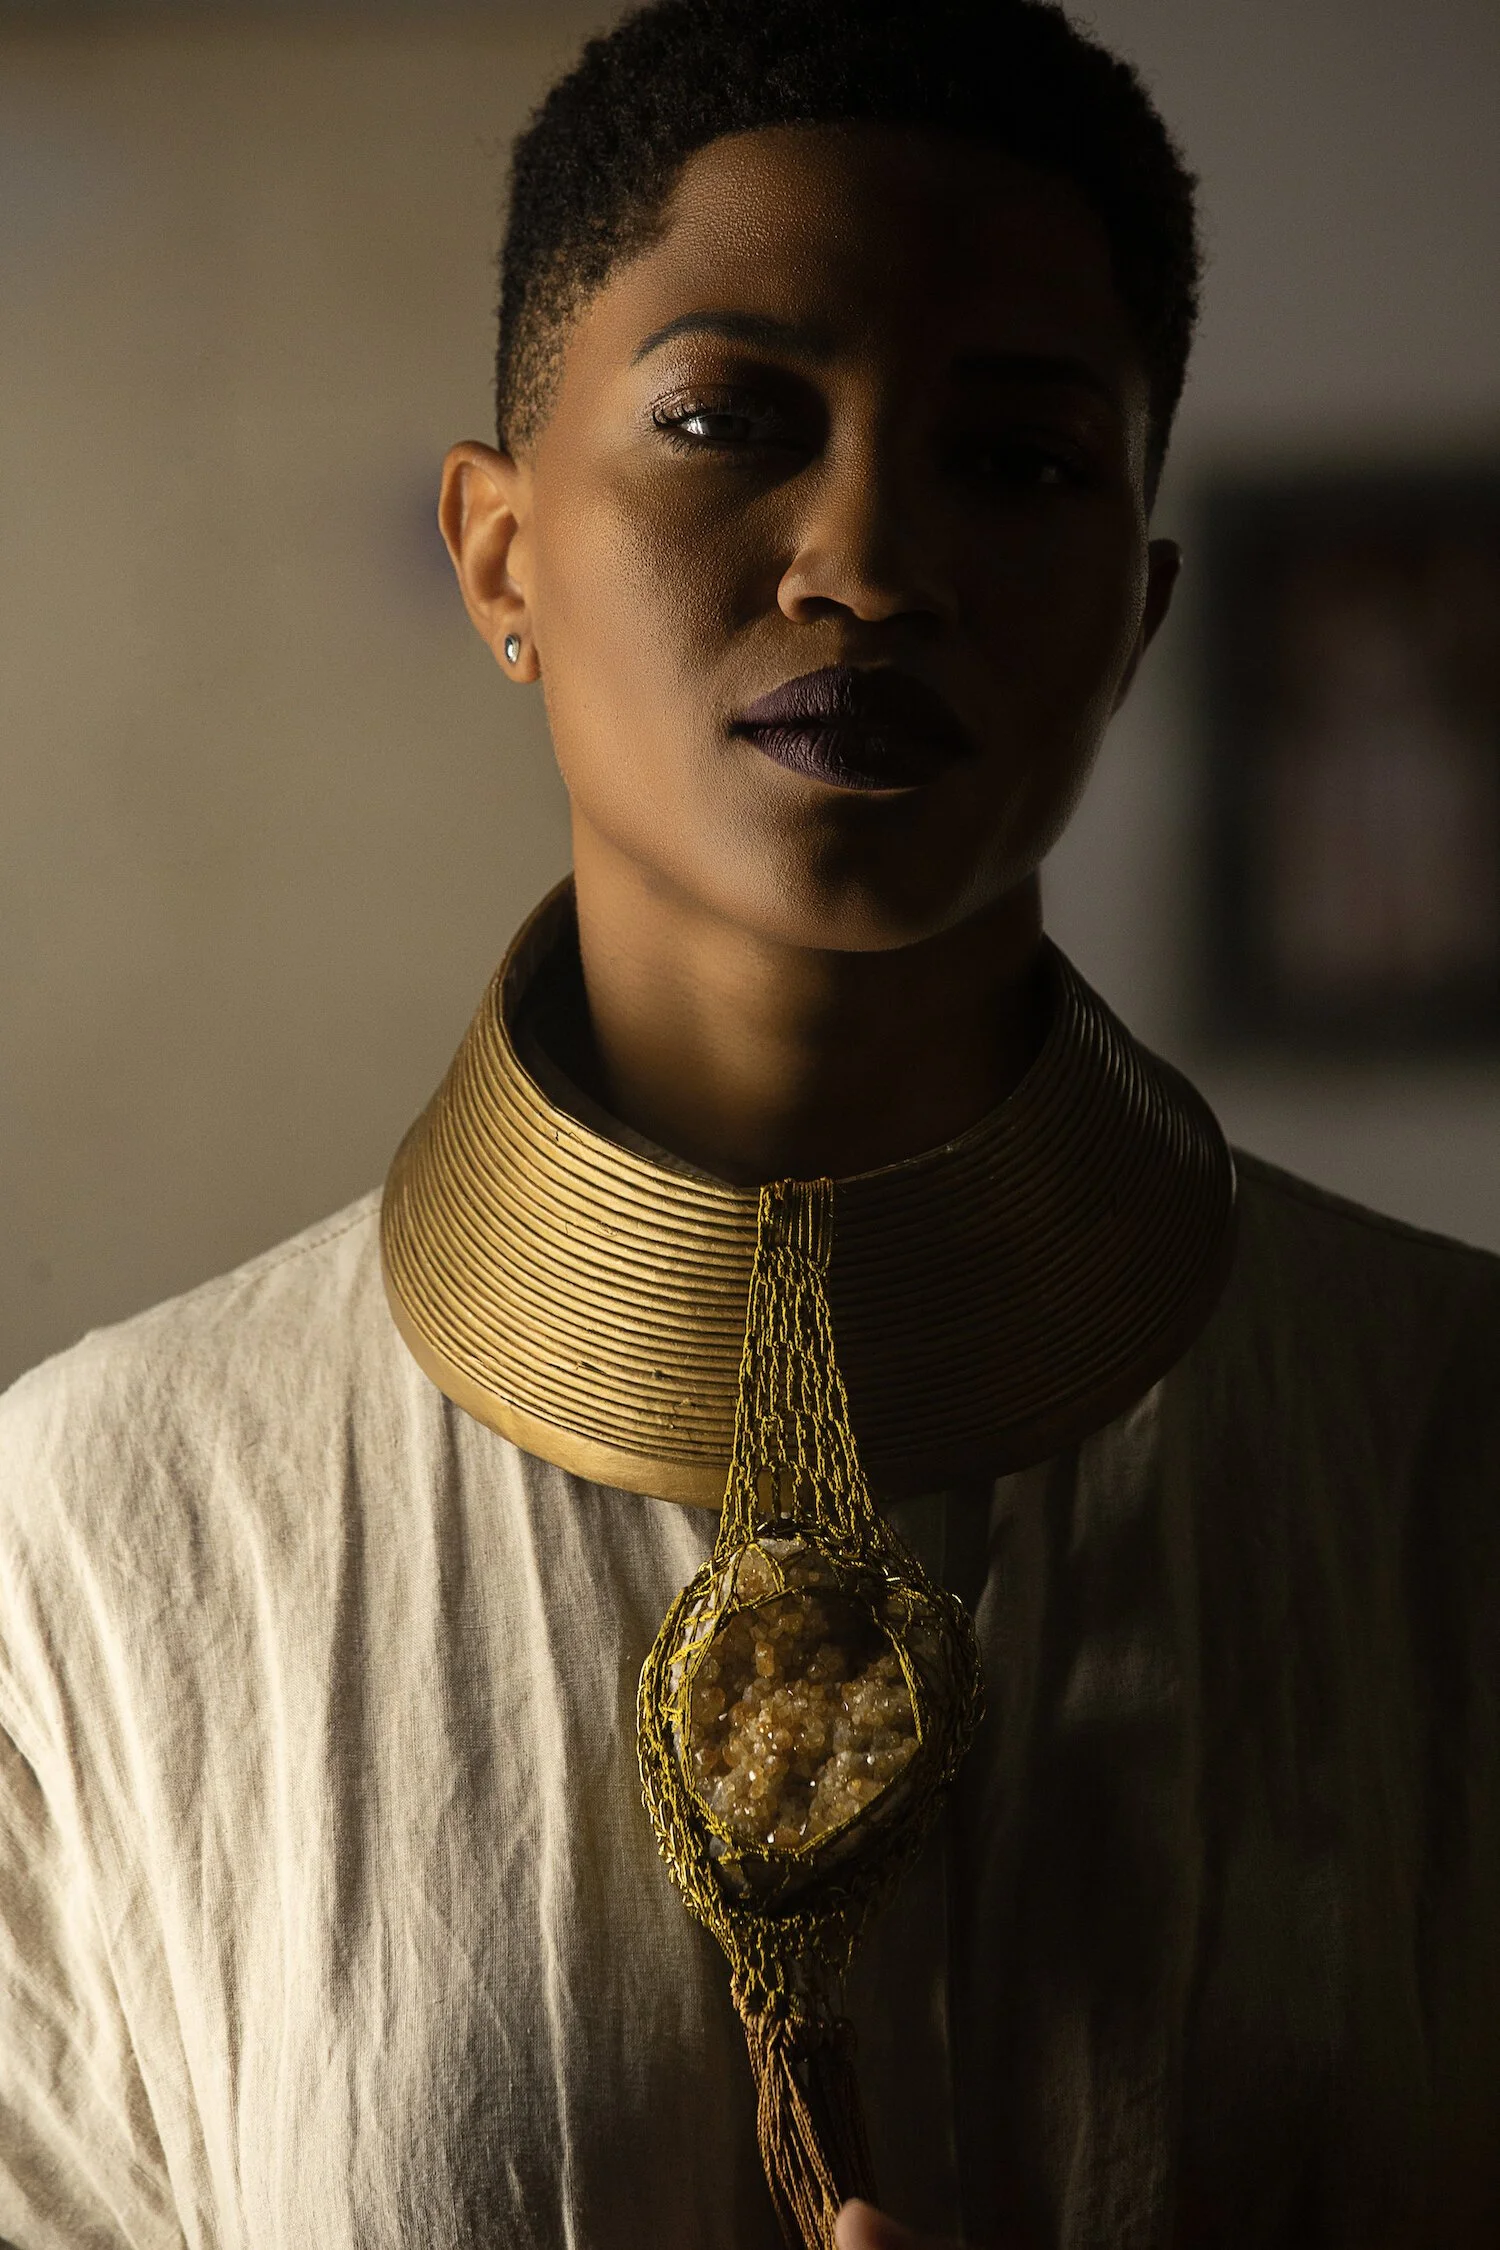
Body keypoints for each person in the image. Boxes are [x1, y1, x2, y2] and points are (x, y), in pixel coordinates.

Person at [2, 2, 1497, 2246]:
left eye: (1021, 462)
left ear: (1139, 610)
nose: (872, 561)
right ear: (499, 557)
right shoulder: (108, 1527)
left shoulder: (1454, 1444)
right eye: (729, 419)